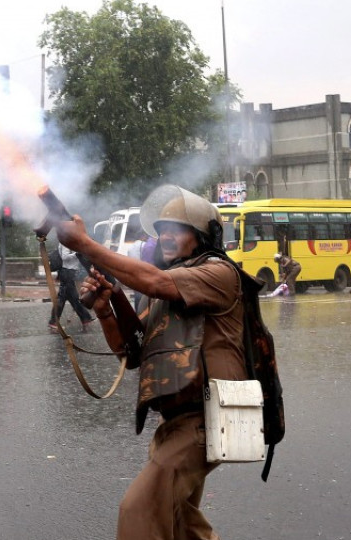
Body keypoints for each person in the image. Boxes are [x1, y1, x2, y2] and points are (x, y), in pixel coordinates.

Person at [56, 184, 247, 540]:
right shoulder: (163, 288)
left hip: (206, 418)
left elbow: (155, 280)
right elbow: (133, 354)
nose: (166, 236)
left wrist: (85, 244)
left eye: (178, 228)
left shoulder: (218, 273)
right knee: (180, 522)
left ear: (204, 235)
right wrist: (107, 311)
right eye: (162, 230)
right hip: (174, 422)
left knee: (138, 511)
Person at [47, 243, 94, 333]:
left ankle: (54, 321)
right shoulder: (65, 243)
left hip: (69, 272)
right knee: (71, 298)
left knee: (68, 298)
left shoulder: (69, 242)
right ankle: (85, 318)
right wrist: (77, 253)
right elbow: (65, 257)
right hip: (67, 272)